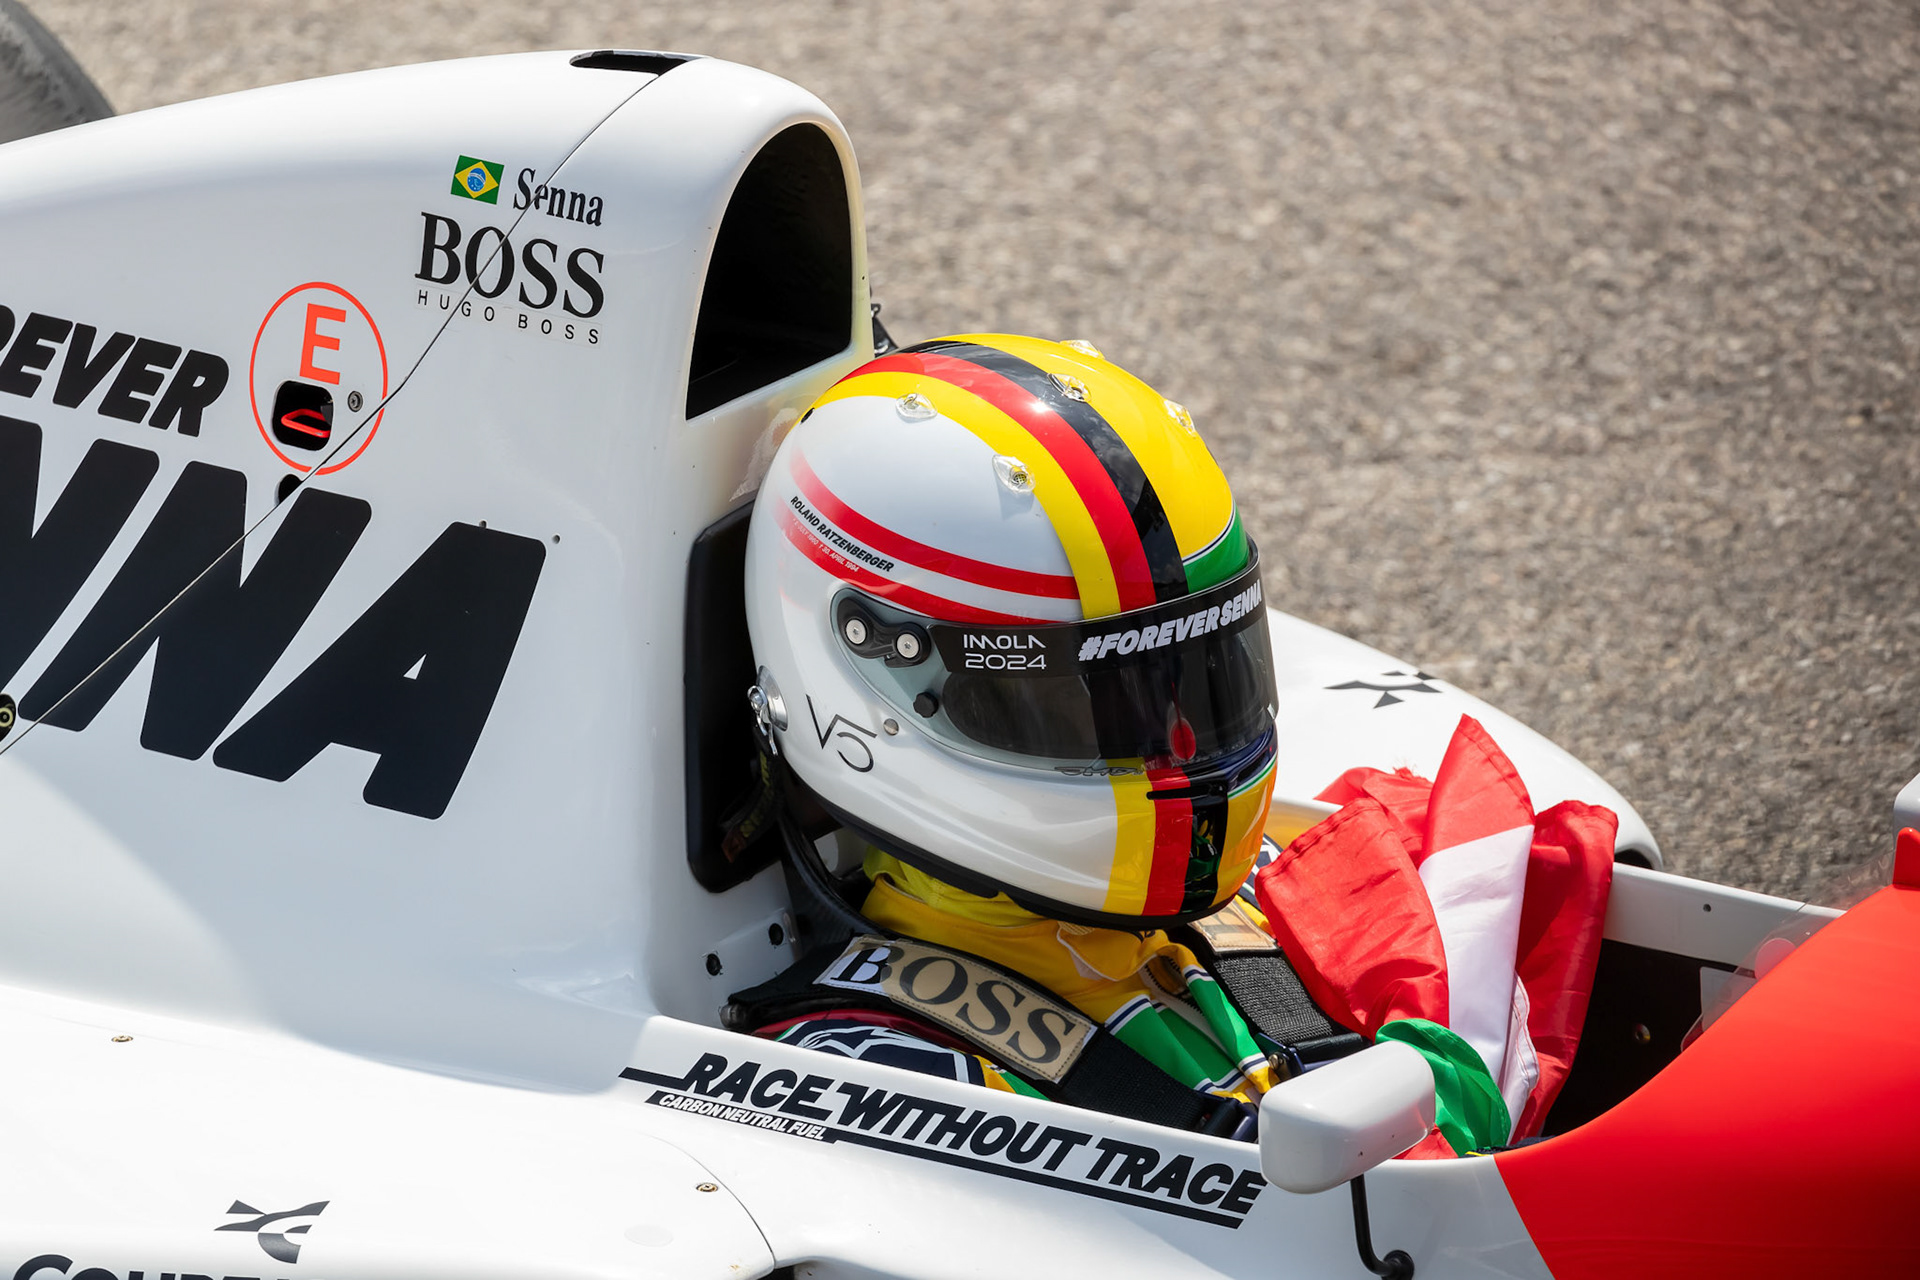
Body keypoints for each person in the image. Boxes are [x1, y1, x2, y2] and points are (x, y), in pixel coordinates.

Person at [729, 334, 1324, 1139]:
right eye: (1078, 709)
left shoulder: (1289, 894)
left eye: (1200, 676)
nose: (1179, 743)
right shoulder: (876, 1078)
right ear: (871, 674)